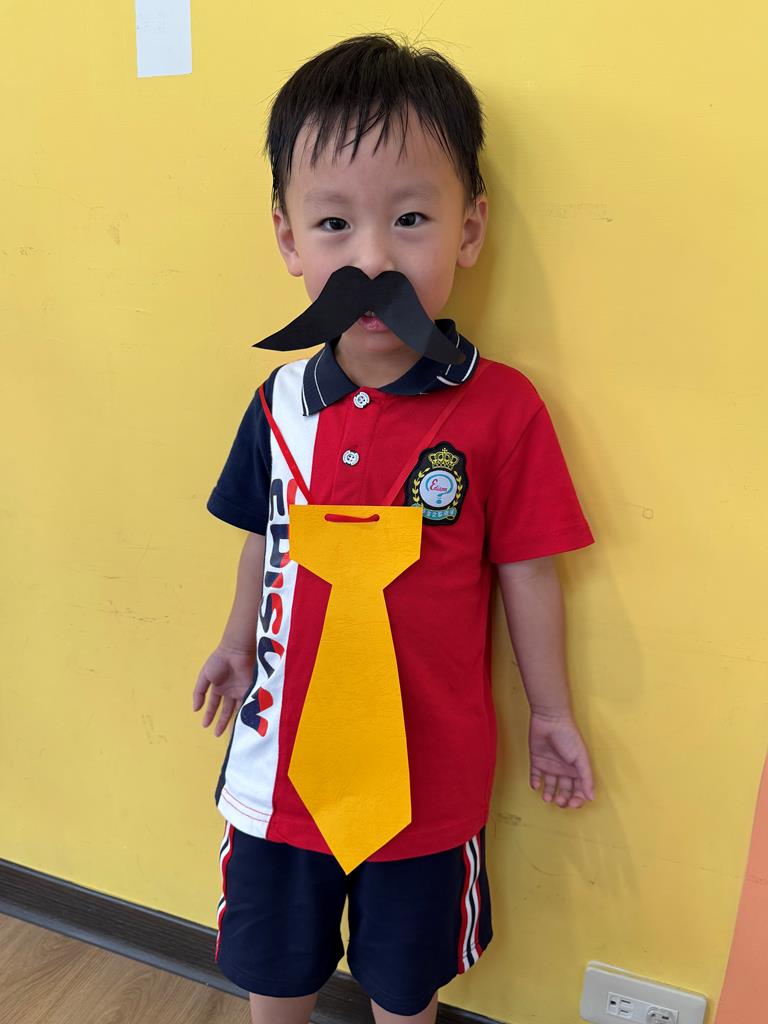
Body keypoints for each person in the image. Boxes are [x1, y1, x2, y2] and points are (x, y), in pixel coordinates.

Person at [192, 32, 596, 1024]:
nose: (371, 260)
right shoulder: (278, 404)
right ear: (289, 238)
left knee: (404, 983)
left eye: (410, 219)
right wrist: (236, 641)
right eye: (334, 223)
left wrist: (551, 713)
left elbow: (529, 573)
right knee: (275, 970)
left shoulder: (504, 411)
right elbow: (263, 538)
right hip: (278, 772)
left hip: (427, 784)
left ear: (469, 228)